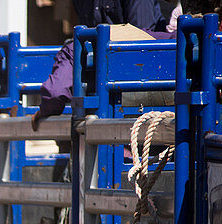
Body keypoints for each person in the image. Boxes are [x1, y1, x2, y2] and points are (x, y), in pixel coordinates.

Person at [33, 0, 168, 128]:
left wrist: (46, 110)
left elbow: (142, 40)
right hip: (122, 91)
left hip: (141, 86)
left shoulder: (75, 48)